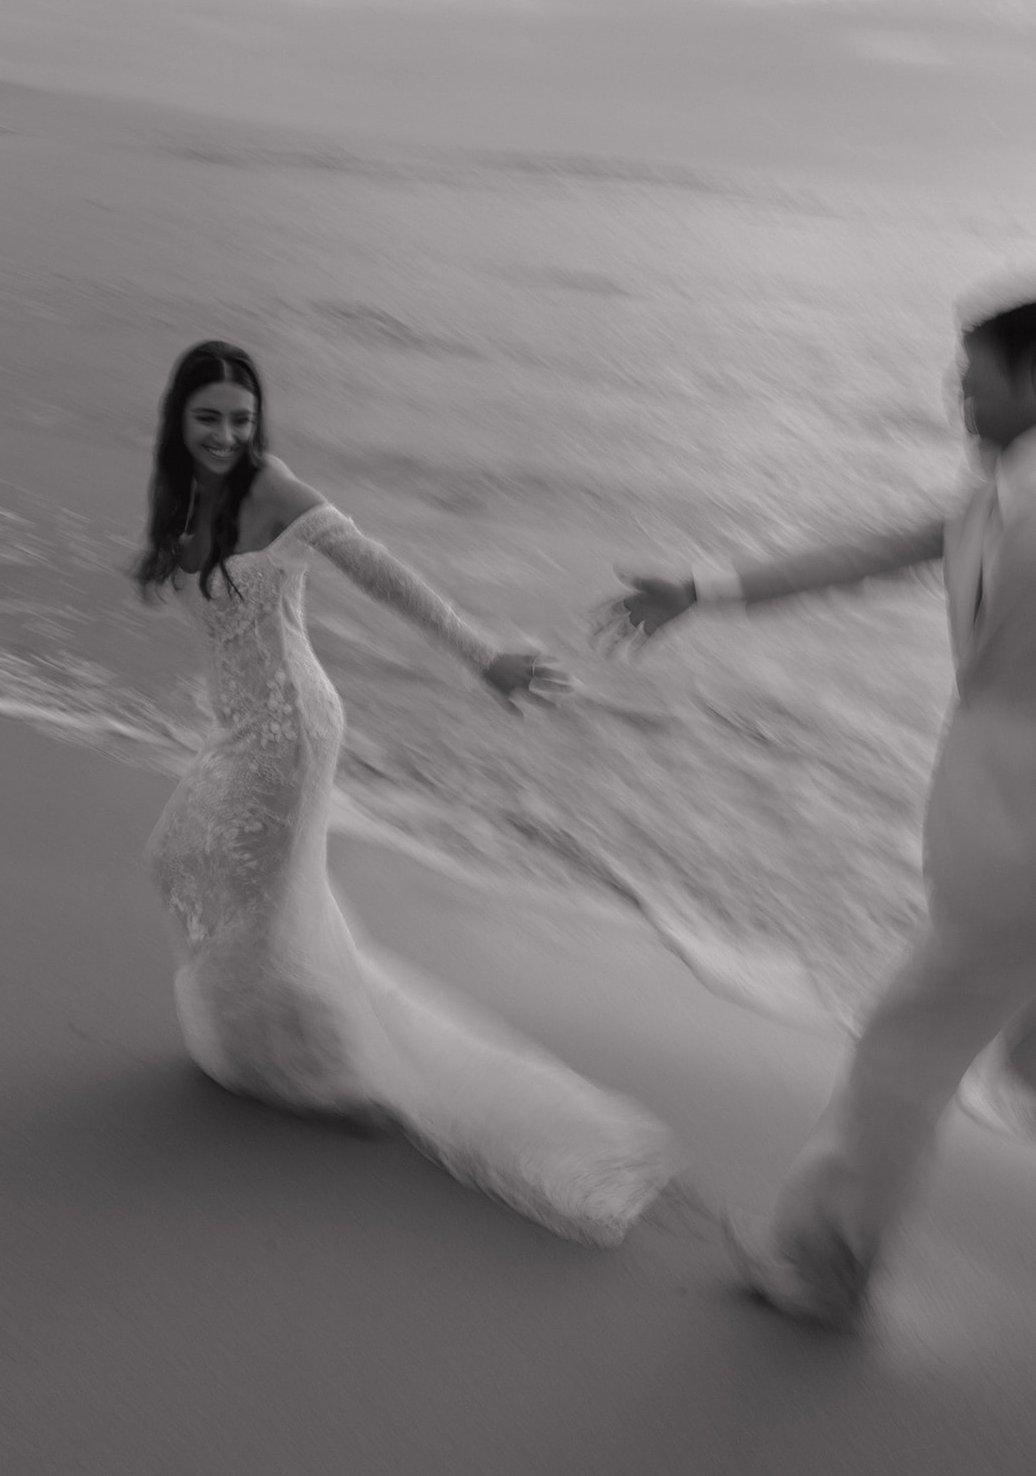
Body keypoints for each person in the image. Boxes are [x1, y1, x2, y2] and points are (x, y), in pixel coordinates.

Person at [135, 339, 679, 1245]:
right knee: (192, 867)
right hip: (242, 728)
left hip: (292, 730)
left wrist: (482, 656)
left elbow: (379, 571)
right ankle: (286, 1048)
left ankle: (326, 1074)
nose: (228, 433)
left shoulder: (272, 489)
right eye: (209, 418)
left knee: (235, 886)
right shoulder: (182, 493)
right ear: (178, 420)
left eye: (241, 418)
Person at [591, 273, 1036, 1321]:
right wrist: (701, 590)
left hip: (1017, 840)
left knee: (903, 1044)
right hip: (988, 818)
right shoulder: (989, 497)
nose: (951, 396)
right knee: (976, 1047)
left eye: (972, 381)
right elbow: (865, 553)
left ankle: (823, 1264)